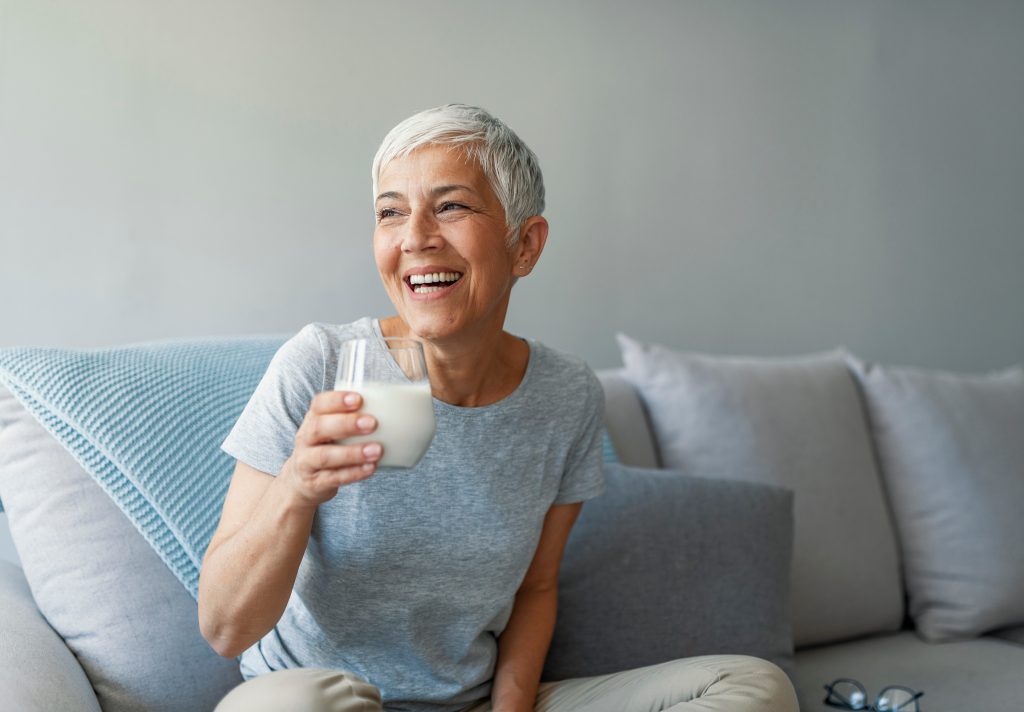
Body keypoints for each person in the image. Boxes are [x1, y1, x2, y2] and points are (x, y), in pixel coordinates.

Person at [198, 104, 798, 712]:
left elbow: (536, 588)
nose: (415, 238)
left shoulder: (567, 396)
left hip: (471, 703)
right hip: (321, 700)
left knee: (752, 686)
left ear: (525, 245)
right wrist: (297, 488)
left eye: (451, 206)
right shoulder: (321, 362)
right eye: (390, 213)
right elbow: (224, 630)